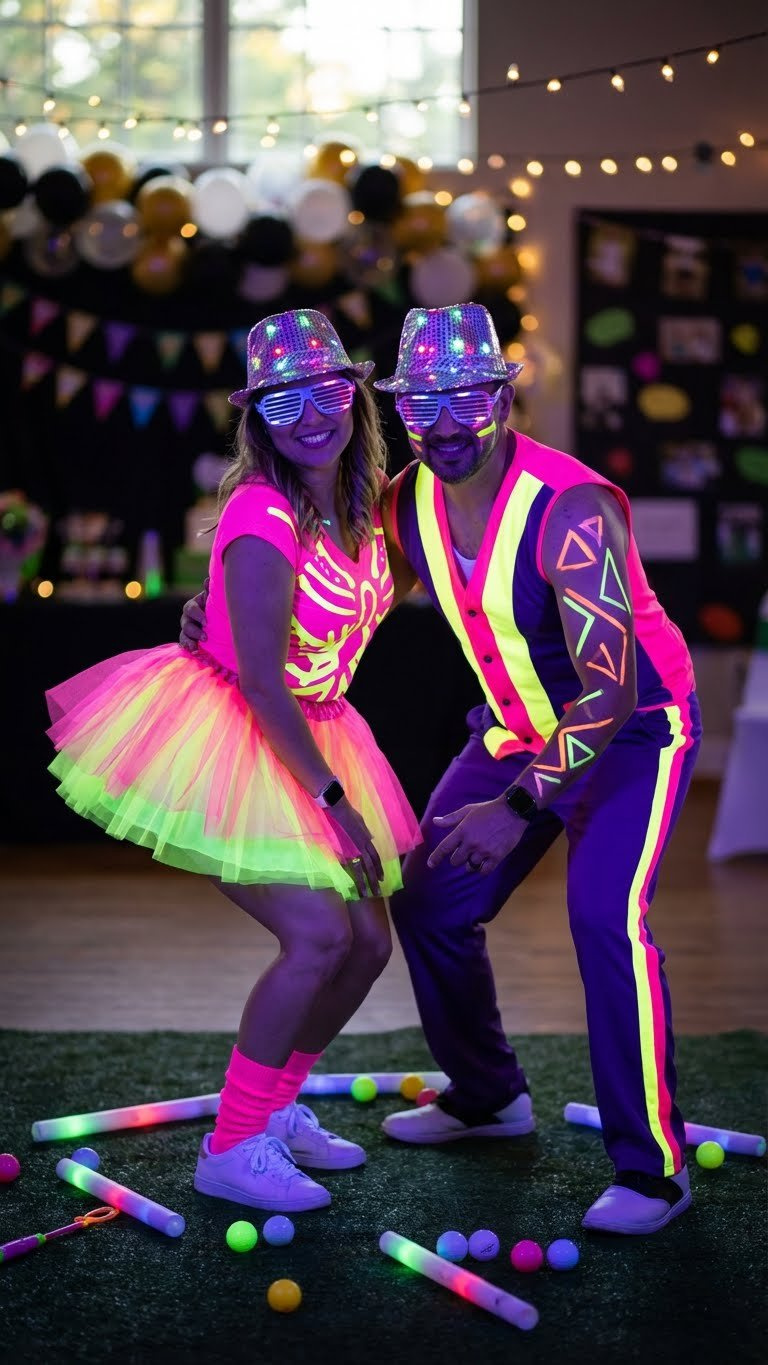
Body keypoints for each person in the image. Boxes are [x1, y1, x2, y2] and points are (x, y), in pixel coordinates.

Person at [181, 302, 702, 1236]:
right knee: (425, 900)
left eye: (470, 399)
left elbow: (613, 690)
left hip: (632, 734)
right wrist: (217, 608)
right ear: (400, 409)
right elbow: (303, 557)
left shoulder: (572, 510)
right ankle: (488, 1094)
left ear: (505, 396)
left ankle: (652, 1167)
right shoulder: (407, 499)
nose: (450, 424)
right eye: (426, 404)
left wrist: (519, 802)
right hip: (512, 728)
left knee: (603, 919)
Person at [46, 308, 421, 1215]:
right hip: (247, 733)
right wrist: (333, 800)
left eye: (327, 390)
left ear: (356, 397)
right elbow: (259, 682)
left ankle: (277, 1108)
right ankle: (231, 1144)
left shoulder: (373, 507)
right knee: (319, 935)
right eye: (282, 400)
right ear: (257, 416)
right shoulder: (259, 510)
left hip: (322, 721)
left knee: (369, 943)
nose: (311, 415)